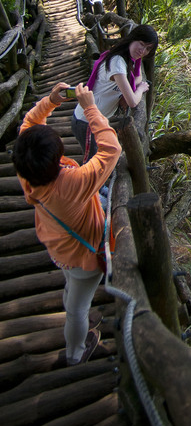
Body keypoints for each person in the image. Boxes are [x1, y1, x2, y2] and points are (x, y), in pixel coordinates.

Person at [13, 82, 121, 365]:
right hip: (83, 256)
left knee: (71, 288)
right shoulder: (72, 183)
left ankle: (70, 302)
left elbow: (28, 124)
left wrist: (49, 101)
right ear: (55, 159)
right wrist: (90, 107)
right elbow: (111, 149)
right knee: (78, 309)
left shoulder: (26, 171)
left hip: (57, 244)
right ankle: (76, 353)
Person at [71, 24, 158, 162]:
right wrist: (141, 89)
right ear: (132, 39)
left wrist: (133, 86)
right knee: (92, 164)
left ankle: (100, 183)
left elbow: (136, 78)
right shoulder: (118, 62)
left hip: (95, 119)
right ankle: (94, 184)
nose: (143, 50)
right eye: (141, 44)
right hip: (86, 122)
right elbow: (133, 101)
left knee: (101, 158)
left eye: (148, 49)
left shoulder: (128, 58)